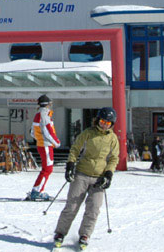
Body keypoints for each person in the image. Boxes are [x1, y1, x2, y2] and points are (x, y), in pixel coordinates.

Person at [53, 107, 120, 250]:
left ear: (112, 124)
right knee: (72, 206)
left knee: (94, 208)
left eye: (108, 123)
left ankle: (85, 235)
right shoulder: (88, 133)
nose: (104, 125)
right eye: (102, 121)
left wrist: (108, 174)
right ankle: (60, 232)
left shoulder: (112, 138)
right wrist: (70, 164)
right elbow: (75, 149)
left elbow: (114, 158)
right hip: (82, 174)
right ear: (97, 120)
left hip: (99, 178)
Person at [26, 94, 61, 201]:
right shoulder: (44, 114)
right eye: (50, 103)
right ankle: (37, 191)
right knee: (47, 169)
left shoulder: (38, 114)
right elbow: (47, 130)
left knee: (47, 168)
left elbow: (32, 132)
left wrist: (39, 138)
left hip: (41, 144)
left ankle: (38, 189)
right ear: (47, 104)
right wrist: (56, 142)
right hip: (45, 145)